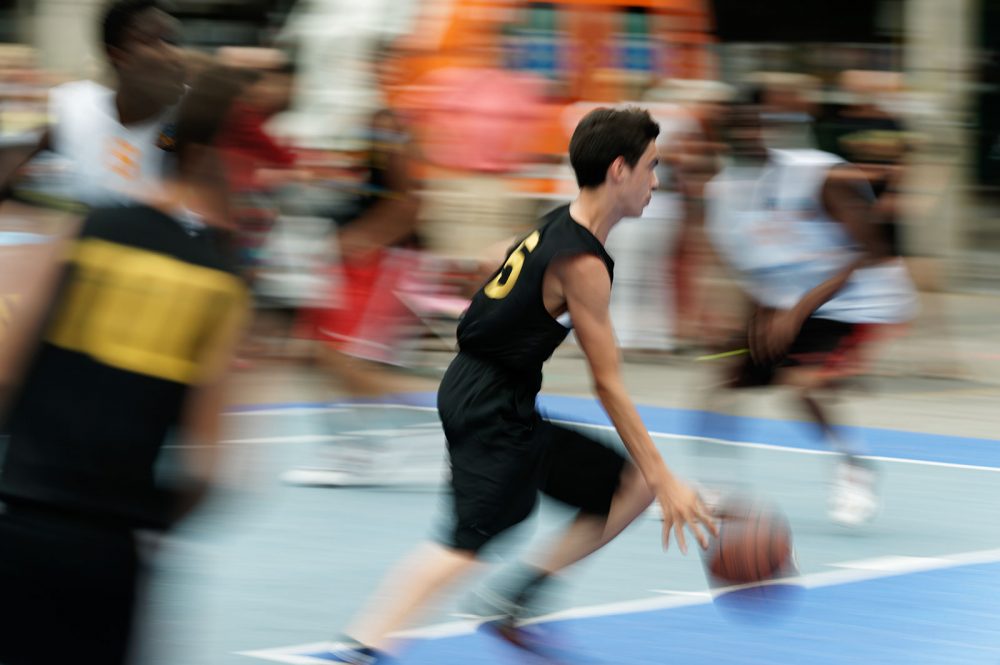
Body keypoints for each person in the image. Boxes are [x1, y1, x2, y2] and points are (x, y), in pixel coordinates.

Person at [325, 107, 716, 664]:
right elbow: (608, 384)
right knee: (470, 543)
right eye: (652, 167)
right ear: (619, 170)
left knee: (629, 489)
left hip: (497, 396)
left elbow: (499, 261)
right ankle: (361, 647)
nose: (657, 182)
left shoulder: (558, 220)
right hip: (489, 406)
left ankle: (513, 603)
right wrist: (669, 476)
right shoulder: (584, 263)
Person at [0, 65, 249, 665]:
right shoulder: (222, 284)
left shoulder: (88, 231)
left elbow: (6, 375)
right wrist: (148, 519)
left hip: (22, 524)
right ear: (220, 157)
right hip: (110, 548)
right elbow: (212, 472)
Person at [703, 100, 918, 526]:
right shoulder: (722, 195)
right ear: (722, 136)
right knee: (723, 383)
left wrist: (795, 313)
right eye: (739, 125)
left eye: (757, 124)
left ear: (770, 128)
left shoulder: (820, 174)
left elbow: (869, 251)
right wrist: (758, 317)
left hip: (860, 298)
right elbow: (757, 266)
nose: (750, 133)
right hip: (790, 301)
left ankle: (854, 466)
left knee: (801, 385)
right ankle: (717, 487)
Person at [0, 0, 186, 208]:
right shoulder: (78, 107)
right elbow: (12, 158)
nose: (172, 55)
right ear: (117, 55)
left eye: (172, 41)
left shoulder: (181, 119)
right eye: (151, 41)